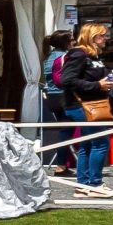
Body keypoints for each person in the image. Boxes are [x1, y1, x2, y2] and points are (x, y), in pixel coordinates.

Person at [60, 23, 113, 195]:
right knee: (100, 142)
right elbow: (66, 80)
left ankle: (83, 185)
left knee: (88, 144)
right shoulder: (79, 54)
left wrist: (104, 84)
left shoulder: (93, 56)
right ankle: (94, 184)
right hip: (82, 105)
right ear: (91, 37)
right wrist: (97, 84)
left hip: (91, 105)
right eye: (102, 35)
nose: (106, 38)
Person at [40, 29, 74, 173]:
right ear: (66, 42)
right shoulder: (64, 57)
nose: (74, 42)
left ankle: (63, 163)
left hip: (52, 96)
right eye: (72, 39)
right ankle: (61, 164)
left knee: (66, 128)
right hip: (62, 95)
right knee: (67, 129)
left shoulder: (48, 56)